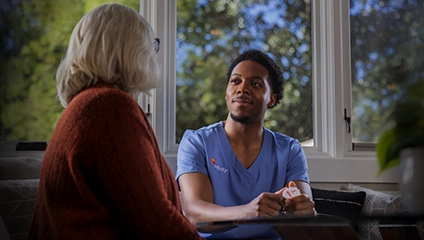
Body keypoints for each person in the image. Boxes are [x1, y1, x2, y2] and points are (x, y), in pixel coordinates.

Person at [27, 3, 204, 240]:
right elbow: (156, 222)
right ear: (131, 49)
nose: (153, 54)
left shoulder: (85, 106)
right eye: (151, 45)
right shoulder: (111, 108)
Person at [176, 49, 316, 237]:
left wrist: (305, 213)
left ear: (271, 99)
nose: (242, 89)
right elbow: (195, 215)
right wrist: (248, 212)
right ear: (226, 93)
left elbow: (305, 214)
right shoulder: (197, 142)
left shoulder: (290, 150)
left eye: (256, 84)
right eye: (235, 81)